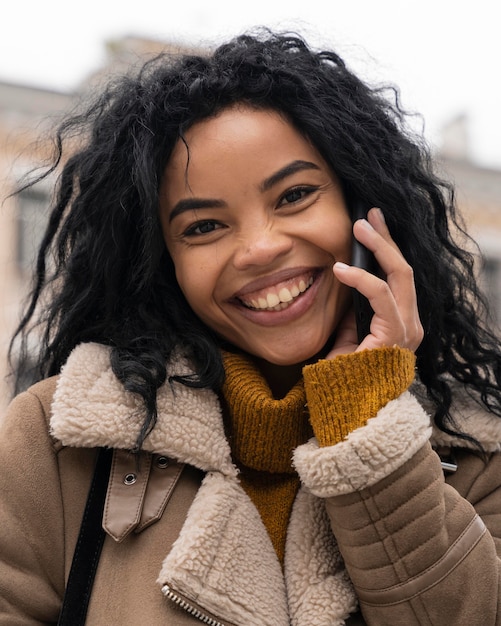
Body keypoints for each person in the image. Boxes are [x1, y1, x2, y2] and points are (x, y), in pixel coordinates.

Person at [1, 29, 501, 626]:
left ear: (366, 207)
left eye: (294, 195)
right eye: (204, 227)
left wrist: (369, 426)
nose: (260, 249)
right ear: (163, 264)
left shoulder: (476, 453)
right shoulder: (58, 442)